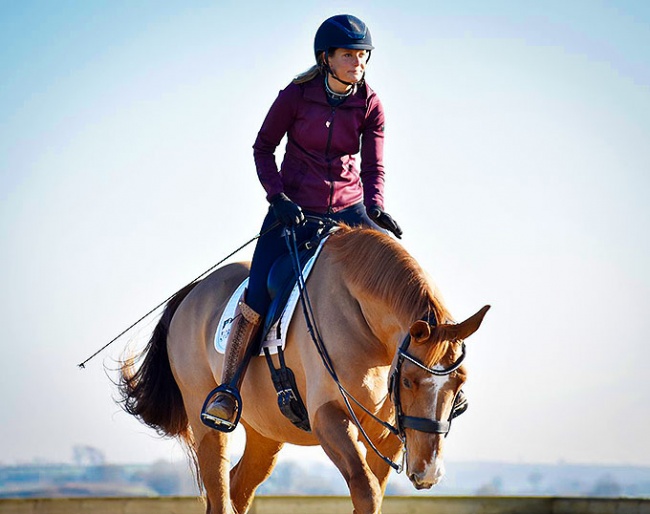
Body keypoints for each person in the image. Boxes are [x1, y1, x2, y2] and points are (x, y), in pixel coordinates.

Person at [201, 14, 405, 432]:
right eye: (349, 54)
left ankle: (436, 375)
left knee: (401, 274)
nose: (358, 62)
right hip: (292, 211)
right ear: (326, 57)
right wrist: (277, 198)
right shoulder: (295, 96)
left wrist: (376, 206)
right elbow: (263, 149)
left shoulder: (370, 103)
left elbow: (374, 165)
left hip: (350, 213)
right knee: (259, 289)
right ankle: (228, 391)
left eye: (363, 55)